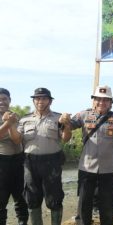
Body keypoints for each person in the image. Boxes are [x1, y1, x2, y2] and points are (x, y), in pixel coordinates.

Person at [10, 88, 71, 225]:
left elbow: (65, 138)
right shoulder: (24, 119)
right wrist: (10, 125)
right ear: (33, 101)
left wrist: (66, 124)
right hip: (30, 163)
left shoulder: (58, 118)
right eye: (37, 98)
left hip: (52, 162)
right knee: (32, 198)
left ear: (50, 101)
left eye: (44, 98)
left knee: (54, 198)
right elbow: (17, 140)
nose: (40, 101)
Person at [70, 85, 113, 225]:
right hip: (87, 167)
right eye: (98, 99)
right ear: (93, 100)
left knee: (107, 205)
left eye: (105, 100)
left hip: (109, 169)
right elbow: (69, 125)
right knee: (84, 203)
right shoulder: (83, 115)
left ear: (111, 103)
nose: (101, 103)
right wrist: (63, 121)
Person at [0, 88, 28, 225]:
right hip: (2, 161)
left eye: (4, 99)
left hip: (19, 160)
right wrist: (8, 123)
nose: (1, 102)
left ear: (10, 100)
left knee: (21, 197)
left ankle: (22, 222)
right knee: (1, 198)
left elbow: (18, 140)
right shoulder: (11, 119)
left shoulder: (18, 117)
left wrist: (11, 122)